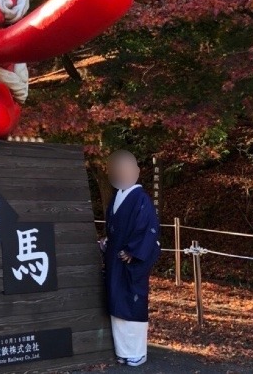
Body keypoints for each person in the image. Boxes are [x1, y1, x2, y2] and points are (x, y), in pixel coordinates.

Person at [100, 150, 160, 367]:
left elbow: (149, 229)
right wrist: (106, 242)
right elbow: (115, 229)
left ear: (135, 171)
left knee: (132, 302)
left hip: (130, 262)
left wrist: (134, 251)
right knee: (116, 303)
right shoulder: (117, 197)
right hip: (115, 260)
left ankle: (137, 351)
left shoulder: (141, 199)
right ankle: (123, 351)